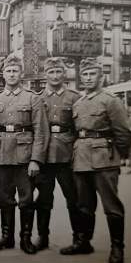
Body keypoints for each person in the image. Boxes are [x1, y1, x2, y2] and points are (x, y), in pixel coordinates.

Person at [60, 58, 131, 263]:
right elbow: (76, 132)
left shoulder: (111, 100)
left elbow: (123, 132)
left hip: (105, 159)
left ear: (101, 77)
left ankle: (117, 248)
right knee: (84, 205)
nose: (89, 78)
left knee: (112, 206)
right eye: (85, 75)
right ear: (80, 78)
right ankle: (84, 242)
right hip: (81, 158)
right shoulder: (78, 103)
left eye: (93, 74)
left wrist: (121, 156)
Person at [0, 55, 48, 255]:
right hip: (2, 154)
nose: (12, 74)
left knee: (26, 198)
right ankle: (7, 237)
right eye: (8, 71)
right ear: (3, 74)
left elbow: (41, 131)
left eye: (15, 71)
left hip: (25, 156)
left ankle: (25, 238)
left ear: (21, 74)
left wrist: (36, 160)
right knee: (4, 198)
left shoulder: (33, 98)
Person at [34, 57, 82, 252]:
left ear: (64, 74)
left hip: (67, 156)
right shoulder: (37, 97)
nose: (54, 76)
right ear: (45, 74)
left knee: (74, 199)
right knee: (43, 200)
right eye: (51, 72)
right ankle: (42, 237)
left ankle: (78, 238)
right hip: (44, 156)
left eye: (58, 72)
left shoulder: (74, 97)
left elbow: (80, 128)